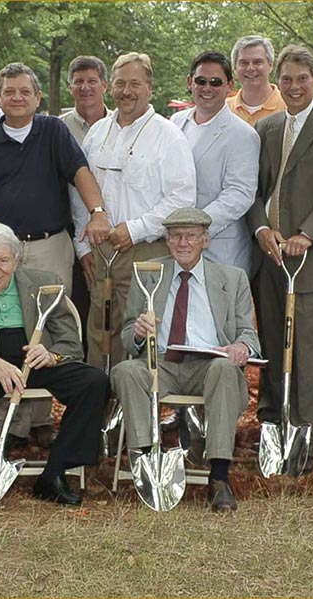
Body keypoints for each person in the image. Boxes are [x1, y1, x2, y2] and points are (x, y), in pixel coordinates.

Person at [0, 224, 111, 506]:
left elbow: (70, 340)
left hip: (38, 360)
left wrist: (51, 355)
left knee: (94, 382)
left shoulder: (45, 283)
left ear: (17, 261)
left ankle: (55, 473)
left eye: (3, 260)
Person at [247, 44, 313, 461]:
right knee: (273, 343)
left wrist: (308, 235)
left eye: (302, 79)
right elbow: (255, 189)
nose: (294, 87)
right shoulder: (268, 129)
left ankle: (305, 434)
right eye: (287, 79)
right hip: (272, 256)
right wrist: (261, 229)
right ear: (279, 81)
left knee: (308, 350)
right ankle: (273, 424)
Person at [110, 208, 259, 512]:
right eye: (175, 236)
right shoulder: (148, 274)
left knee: (225, 368)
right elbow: (126, 335)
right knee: (126, 370)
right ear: (167, 240)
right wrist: (138, 332)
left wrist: (242, 346)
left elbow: (249, 334)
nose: (182, 243)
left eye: (190, 236)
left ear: (205, 240)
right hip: (161, 364)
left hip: (209, 366)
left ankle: (218, 478)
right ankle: (146, 463)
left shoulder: (232, 279)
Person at [78, 52, 196, 369]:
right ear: (110, 87)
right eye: (120, 84)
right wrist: (82, 246)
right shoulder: (97, 132)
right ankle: (99, 406)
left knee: (139, 332)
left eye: (134, 84)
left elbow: (182, 199)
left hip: (146, 251)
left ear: (149, 87)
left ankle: (133, 409)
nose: (126, 91)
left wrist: (135, 229)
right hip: (101, 252)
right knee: (100, 330)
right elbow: (80, 190)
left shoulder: (168, 135)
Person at [0, 62, 111, 291]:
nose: (17, 98)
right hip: (3, 250)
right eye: (9, 92)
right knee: (6, 319)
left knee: (54, 318)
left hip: (50, 247)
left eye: (25, 92)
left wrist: (98, 213)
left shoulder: (54, 130)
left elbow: (80, 172)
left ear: (37, 97)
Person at [171, 51, 261, 271]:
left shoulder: (243, 135)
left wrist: (196, 227)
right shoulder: (175, 123)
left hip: (220, 252)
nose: (207, 88)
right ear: (190, 82)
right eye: (201, 81)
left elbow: (239, 193)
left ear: (229, 86)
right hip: (176, 249)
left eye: (216, 82)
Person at [225, 36, 284, 124]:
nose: (250, 68)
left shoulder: (290, 106)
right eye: (244, 63)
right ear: (235, 68)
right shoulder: (223, 110)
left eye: (257, 62)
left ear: (270, 65)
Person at [59, 55, 109, 142]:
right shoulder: (59, 127)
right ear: (70, 88)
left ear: (104, 86)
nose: (85, 87)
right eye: (79, 82)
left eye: (92, 81)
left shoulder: (119, 125)